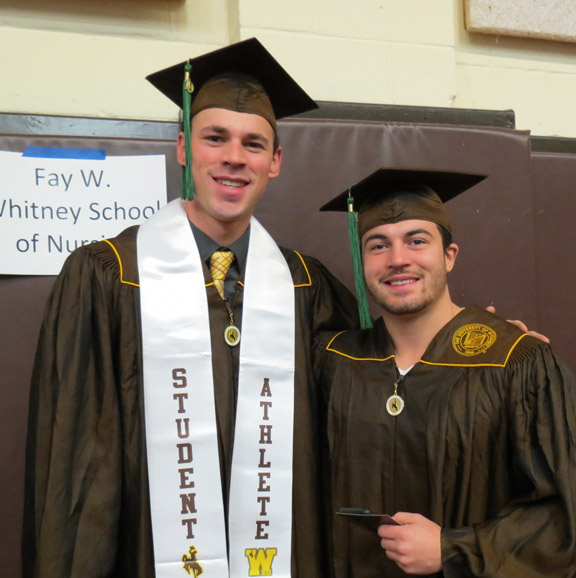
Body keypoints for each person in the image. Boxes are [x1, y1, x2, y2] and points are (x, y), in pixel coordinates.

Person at [22, 38, 359, 578]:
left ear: (274, 162)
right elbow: (78, 464)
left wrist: (462, 338)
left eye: (253, 144)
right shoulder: (108, 274)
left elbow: (374, 383)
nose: (233, 157)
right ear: (184, 149)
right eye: (215, 138)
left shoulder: (305, 287)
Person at [316, 168, 576, 577]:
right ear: (361, 262)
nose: (398, 258)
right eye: (378, 245)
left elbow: (563, 515)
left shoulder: (515, 361)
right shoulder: (333, 361)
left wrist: (453, 549)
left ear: (449, 256)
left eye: (417, 241)